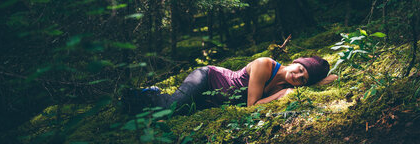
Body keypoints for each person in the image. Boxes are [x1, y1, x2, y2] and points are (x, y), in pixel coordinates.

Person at [121, 56, 335, 115]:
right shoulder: (265, 65)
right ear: (296, 61)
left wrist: (314, 81)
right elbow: (252, 105)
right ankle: (142, 95)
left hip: (213, 99)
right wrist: (284, 94)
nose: (298, 77)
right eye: (300, 69)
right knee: (172, 108)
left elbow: (332, 79)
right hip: (207, 79)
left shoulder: (289, 85)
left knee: (183, 111)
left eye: (304, 79)